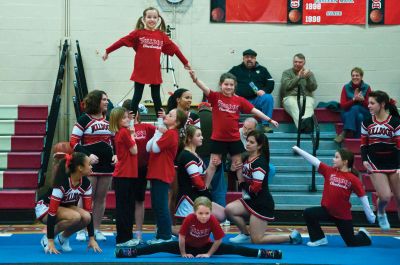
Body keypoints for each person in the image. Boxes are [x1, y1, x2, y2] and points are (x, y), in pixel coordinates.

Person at [189, 71, 279, 193]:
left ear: (235, 86)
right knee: (213, 163)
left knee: (238, 164)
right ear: (221, 85)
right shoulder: (216, 97)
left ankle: (243, 187)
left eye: (231, 85)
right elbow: (204, 88)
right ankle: (203, 188)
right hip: (218, 138)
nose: (229, 87)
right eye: (226, 84)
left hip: (234, 138)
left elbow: (254, 110)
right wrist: (195, 79)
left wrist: (269, 119)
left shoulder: (239, 100)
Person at [115, 196, 282, 259]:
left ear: (211, 212)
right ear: (195, 212)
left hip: (205, 247)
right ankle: (128, 253)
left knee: (235, 249)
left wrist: (208, 254)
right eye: (200, 213)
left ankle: (267, 254)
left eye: (207, 213)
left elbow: (218, 239)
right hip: (185, 246)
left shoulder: (213, 221)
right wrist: (182, 253)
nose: (203, 216)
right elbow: (180, 237)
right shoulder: (189, 218)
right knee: (158, 247)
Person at [102, 7, 191, 118]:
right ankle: (131, 122)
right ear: (144, 19)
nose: (152, 19)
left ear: (158, 19)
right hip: (141, 69)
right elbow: (122, 41)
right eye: (149, 17)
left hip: (154, 71)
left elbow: (175, 49)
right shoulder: (138, 33)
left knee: (156, 97)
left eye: (154, 17)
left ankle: (160, 122)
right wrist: (107, 51)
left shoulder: (161, 35)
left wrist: (185, 62)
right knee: (137, 96)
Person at [226, 130, 302, 245]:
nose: (247, 144)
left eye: (251, 142)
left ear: (259, 145)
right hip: (252, 200)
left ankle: (291, 237)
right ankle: (245, 234)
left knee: (257, 240)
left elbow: (255, 189)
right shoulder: (247, 157)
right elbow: (240, 175)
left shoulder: (260, 163)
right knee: (229, 209)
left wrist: (241, 182)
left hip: (262, 204)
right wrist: (233, 170)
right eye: (247, 141)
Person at [293, 146, 376, 247]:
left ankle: (364, 235)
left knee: (351, 242)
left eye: (336, 157)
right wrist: (298, 150)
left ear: (345, 161)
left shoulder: (353, 179)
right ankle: (319, 239)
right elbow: (315, 161)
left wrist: (370, 215)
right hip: (327, 211)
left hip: (342, 216)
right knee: (308, 213)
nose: (333, 159)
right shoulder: (330, 171)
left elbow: (363, 197)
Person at [70, 90, 115, 241]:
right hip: (90, 164)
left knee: (101, 198)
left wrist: (116, 155)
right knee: (87, 196)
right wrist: (87, 156)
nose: (107, 102)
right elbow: (73, 142)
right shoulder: (84, 119)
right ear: (96, 101)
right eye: (104, 100)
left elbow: (115, 140)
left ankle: (96, 229)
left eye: (107, 100)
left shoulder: (110, 119)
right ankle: (82, 229)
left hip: (107, 164)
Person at [35, 152, 102, 254]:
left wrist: (92, 238)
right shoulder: (62, 183)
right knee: (75, 217)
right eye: (89, 164)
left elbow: (89, 211)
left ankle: (63, 238)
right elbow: (52, 213)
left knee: (86, 217)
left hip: (63, 207)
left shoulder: (86, 184)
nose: (91, 166)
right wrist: (50, 240)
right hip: (45, 208)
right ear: (80, 168)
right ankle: (45, 239)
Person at [146, 108, 188, 244]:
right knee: (157, 204)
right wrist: (157, 133)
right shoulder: (168, 132)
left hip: (162, 172)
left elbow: (156, 148)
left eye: (170, 115)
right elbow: (149, 147)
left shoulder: (171, 134)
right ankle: (161, 234)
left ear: (177, 121)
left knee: (161, 205)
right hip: (156, 171)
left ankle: (165, 235)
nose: (166, 116)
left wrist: (158, 132)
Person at [361, 90, 400, 231]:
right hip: (375, 162)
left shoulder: (395, 122)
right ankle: (381, 211)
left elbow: (399, 146)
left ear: (382, 104)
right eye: (368, 103)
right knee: (384, 197)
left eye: (372, 103)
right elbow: (363, 144)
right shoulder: (367, 122)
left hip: (394, 162)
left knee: (399, 198)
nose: (369, 106)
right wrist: (365, 160)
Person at [175, 125, 225, 221]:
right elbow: (197, 181)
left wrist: (214, 166)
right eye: (198, 135)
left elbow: (203, 177)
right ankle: (166, 231)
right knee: (190, 231)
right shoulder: (187, 156)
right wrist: (207, 195)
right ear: (189, 138)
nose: (202, 137)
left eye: (201, 135)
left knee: (222, 215)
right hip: (189, 198)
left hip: (197, 195)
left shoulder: (194, 154)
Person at [122, 99, 155, 242]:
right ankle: (126, 232)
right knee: (127, 200)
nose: (131, 115)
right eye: (128, 113)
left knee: (139, 200)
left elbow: (163, 132)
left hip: (142, 168)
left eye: (133, 112)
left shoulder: (146, 128)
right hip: (127, 169)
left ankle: (139, 232)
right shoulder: (122, 130)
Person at [109, 107, 139, 247]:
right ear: (117, 120)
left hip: (128, 174)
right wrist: (132, 135)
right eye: (124, 117)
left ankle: (127, 237)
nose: (127, 119)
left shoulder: (121, 132)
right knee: (124, 208)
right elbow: (134, 150)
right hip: (124, 174)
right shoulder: (124, 133)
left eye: (128, 116)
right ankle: (123, 238)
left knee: (127, 207)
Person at [229, 49, 275, 133]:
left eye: (252, 57)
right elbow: (226, 80)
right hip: (240, 101)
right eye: (247, 57)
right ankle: (232, 125)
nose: (249, 59)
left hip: (256, 100)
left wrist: (264, 91)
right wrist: (232, 93)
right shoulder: (235, 69)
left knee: (268, 98)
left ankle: (265, 125)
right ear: (243, 59)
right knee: (231, 100)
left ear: (255, 59)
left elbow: (271, 82)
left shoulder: (262, 70)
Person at [196, 102, 227, 211]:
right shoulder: (218, 118)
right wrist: (222, 157)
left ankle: (198, 213)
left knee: (199, 186)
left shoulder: (194, 118)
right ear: (210, 108)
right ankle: (222, 215)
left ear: (199, 108)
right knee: (218, 187)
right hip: (215, 156)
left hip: (197, 158)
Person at [280, 53, 318, 132]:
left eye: (300, 62)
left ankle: (306, 127)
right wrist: (298, 77)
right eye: (295, 62)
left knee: (308, 106)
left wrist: (308, 78)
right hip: (290, 97)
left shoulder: (309, 73)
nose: (297, 64)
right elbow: (286, 86)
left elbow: (313, 88)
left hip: (306, 97)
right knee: (294, 106)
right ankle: (305, 127)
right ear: (293, 62)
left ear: (304, 63)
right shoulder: (286, 73)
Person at [334, 67, 372, 143]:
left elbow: (370, 106)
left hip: (364, 111)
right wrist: (353, 100)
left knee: (356, 107)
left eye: (357, 75)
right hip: (347, 113)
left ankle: (345, 132)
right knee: (359, 117)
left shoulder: (367, 87)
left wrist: (363, 100)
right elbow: (343, 106)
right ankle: (356, 140)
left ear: (361, 77)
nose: (355, 77)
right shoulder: (346, 87)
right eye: (353, 75)